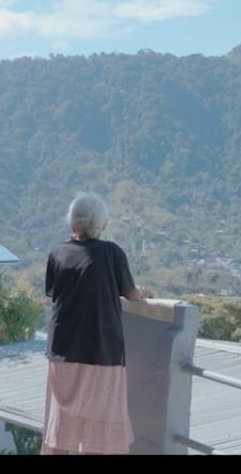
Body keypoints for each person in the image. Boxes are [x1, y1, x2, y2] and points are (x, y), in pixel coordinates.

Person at [42, 192, 153, 455]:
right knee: (100, 430)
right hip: (101, 351)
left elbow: (52, 292)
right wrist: (143, 293)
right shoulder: (111, 252)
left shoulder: (57, 252)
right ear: (101, 224)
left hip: (62, 352)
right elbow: (131, 293)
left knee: (64, 426)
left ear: (72, 223)